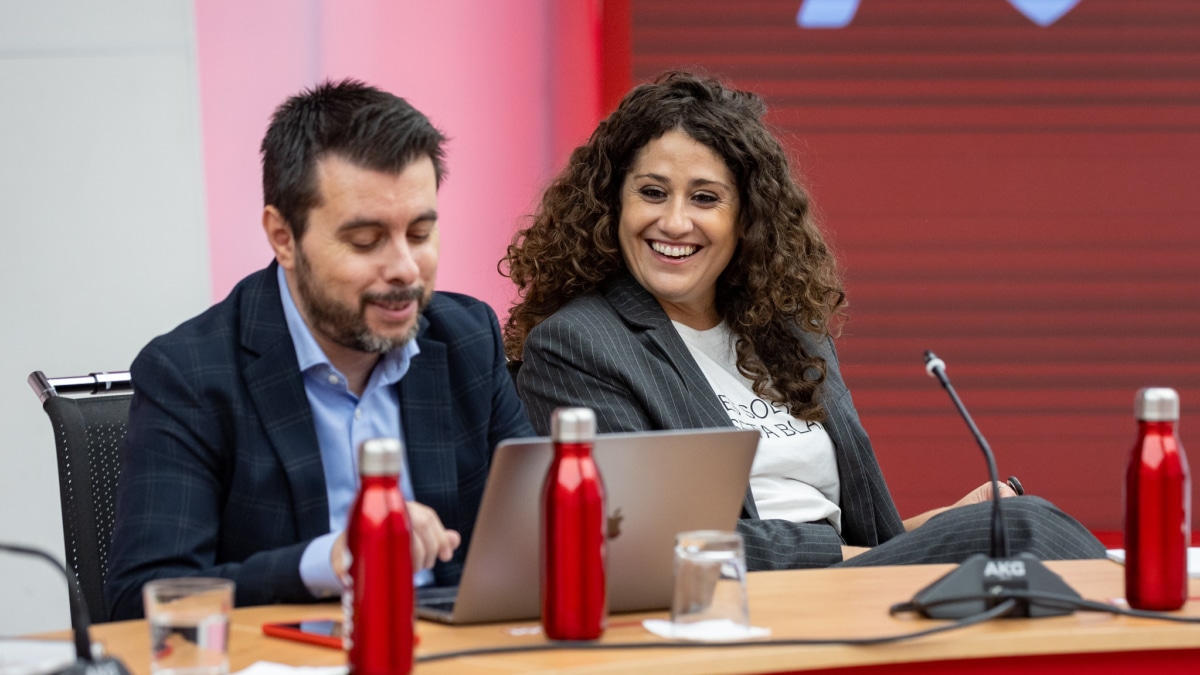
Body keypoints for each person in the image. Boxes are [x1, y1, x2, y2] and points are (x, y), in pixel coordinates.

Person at [502, 71, 1104, 571]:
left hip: (847, 587)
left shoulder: (786, 333)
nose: (676, 222)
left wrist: (940, 527)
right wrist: (857, 557)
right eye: (653, 193)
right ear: (613, 203)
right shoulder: (579, 345)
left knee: (1007, 520)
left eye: (706, 198)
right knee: (1023, 528)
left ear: (747, 219)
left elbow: (864, 534)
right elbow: (648, 542)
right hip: (747, 604)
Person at [105, 79, 535, 620]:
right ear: (283, 237)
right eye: (365, 241)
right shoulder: (190, 373)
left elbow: (539, 529)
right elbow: (144, 598)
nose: (404, 268)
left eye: (421, 234)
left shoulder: (466, 338)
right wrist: (324, 562)